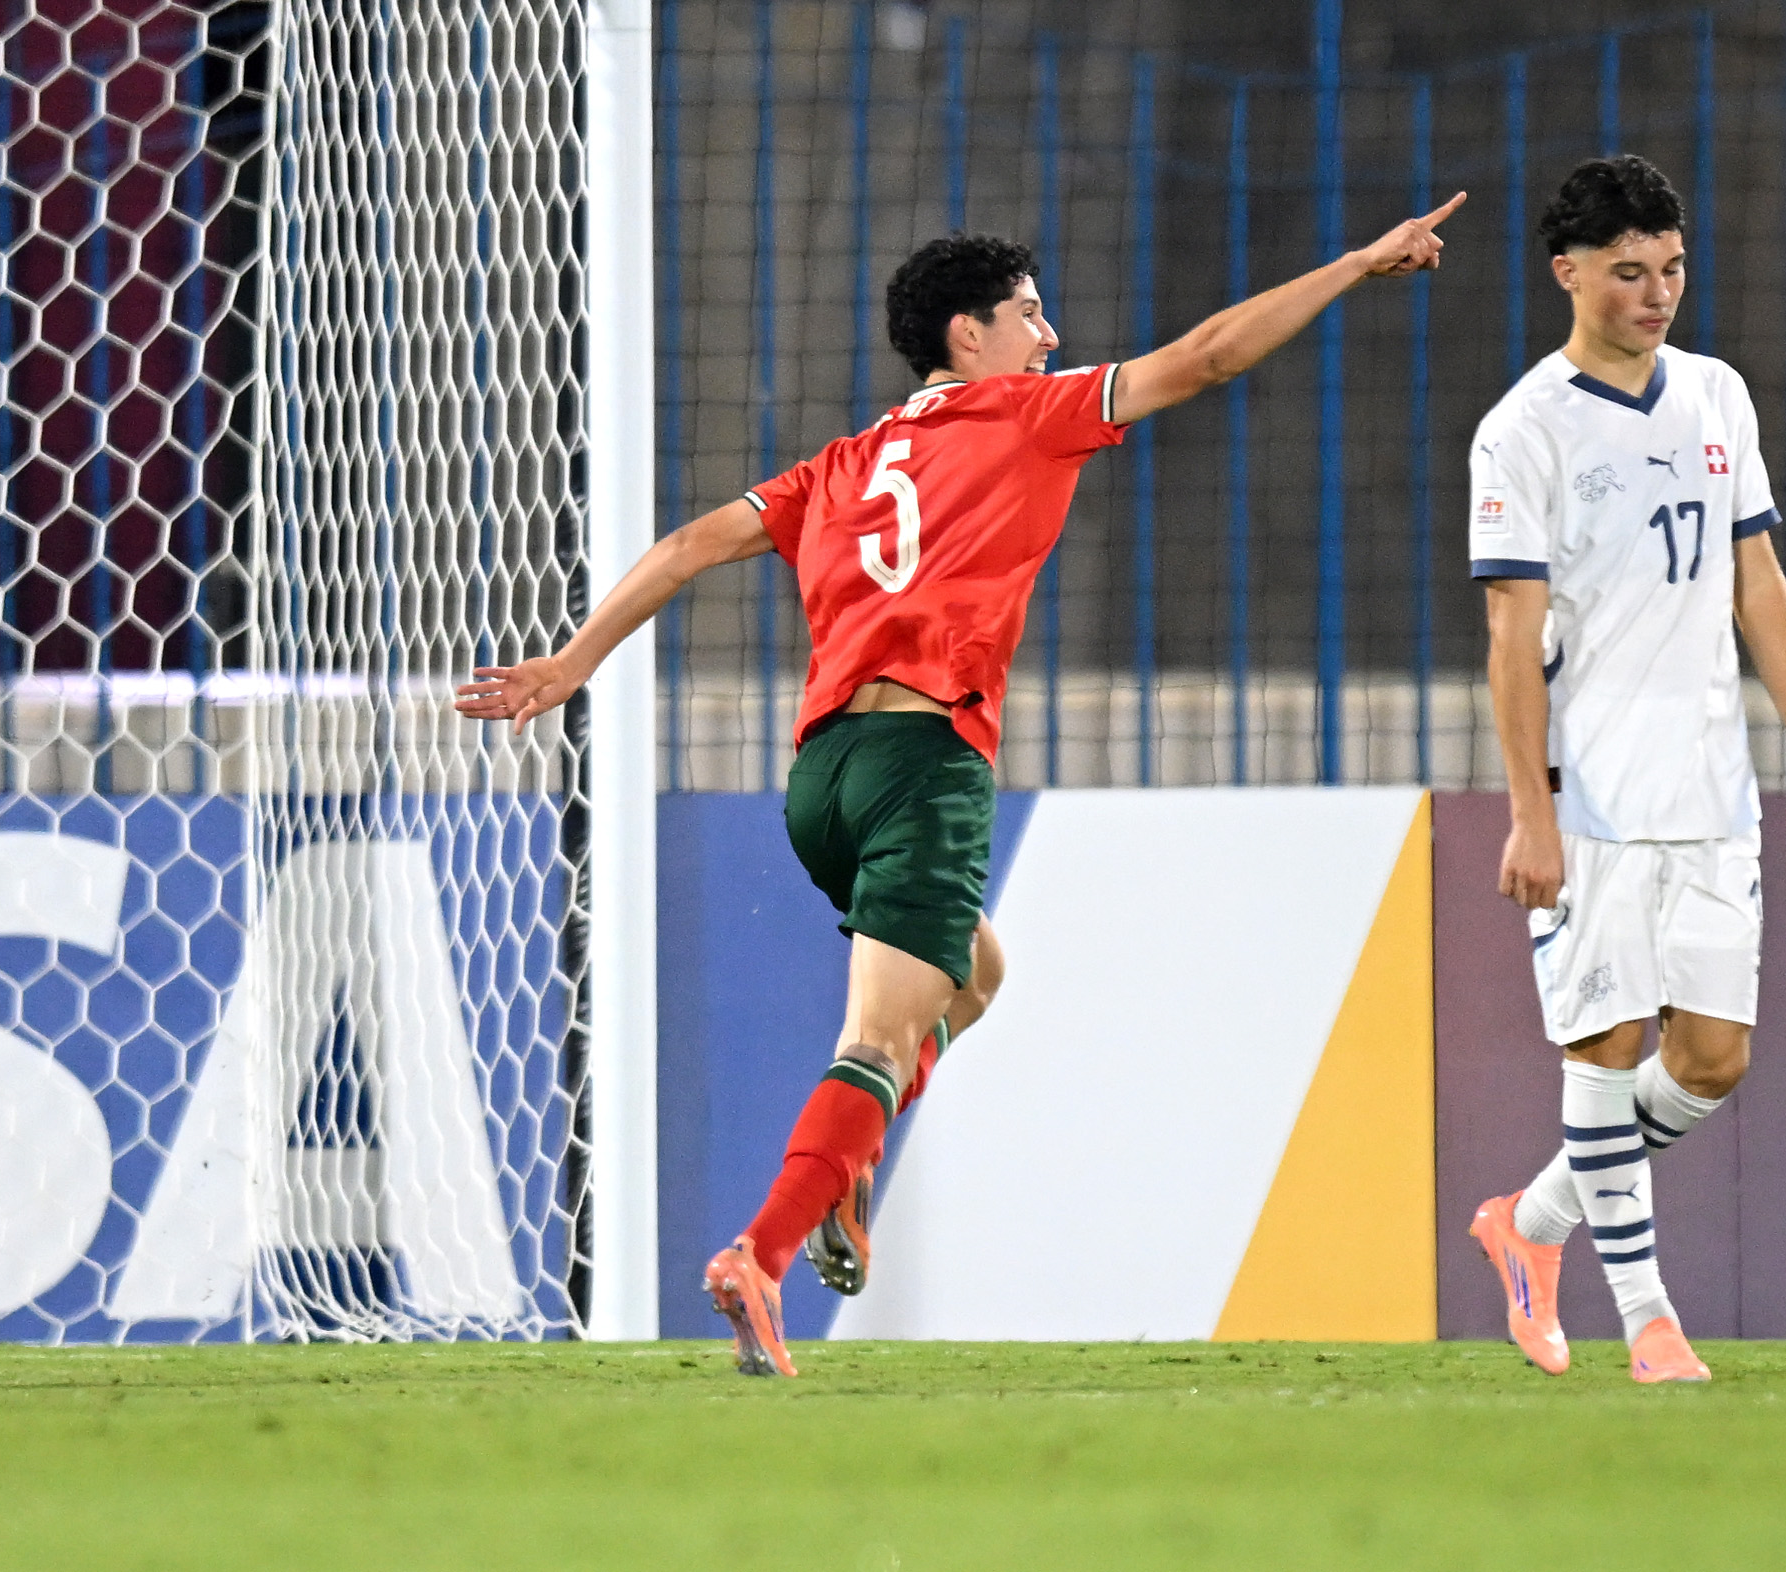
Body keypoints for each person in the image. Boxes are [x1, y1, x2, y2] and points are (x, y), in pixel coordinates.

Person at [459, 201, 1462, 1375]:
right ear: (966, 334)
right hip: (924, 765)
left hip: (821, 779)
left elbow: (684, 548)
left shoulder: (838, 464)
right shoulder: (1027, 414)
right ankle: (760, 1254)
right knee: (877, 1038)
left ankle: (847, 1159)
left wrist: (569, 663)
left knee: (976, 974)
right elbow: (1206, 357)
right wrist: (1350, 260)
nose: (1051, 334)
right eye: (1030, 314)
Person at [1461, 155, 1786, 1386]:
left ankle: (1525, 1225)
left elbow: (1756, 578)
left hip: (1710, 785)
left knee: (1715, 1056)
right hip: (1594, 791)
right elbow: (1511, 637)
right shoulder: (1523, 430)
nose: (1655, 292)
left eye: (1671, 267)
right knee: (1608, 1042)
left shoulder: (1718, 396)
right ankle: (1647, 1321)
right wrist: (1533, 813)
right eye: (1628, 272)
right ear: (1567, 273)